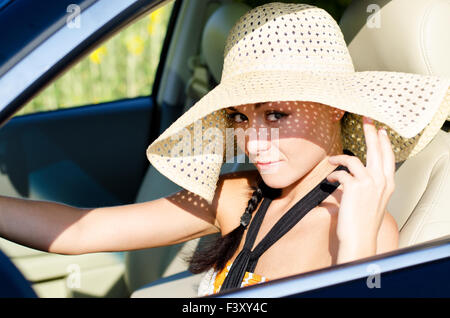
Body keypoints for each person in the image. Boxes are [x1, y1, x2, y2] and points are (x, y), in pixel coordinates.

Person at [0, 2, 449, 297]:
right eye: (239, 117)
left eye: (276, 114)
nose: (253, 141)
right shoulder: (237, 198)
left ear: (335, 108)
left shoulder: (367, 225)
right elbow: (82, 232)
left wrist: (354, 243)